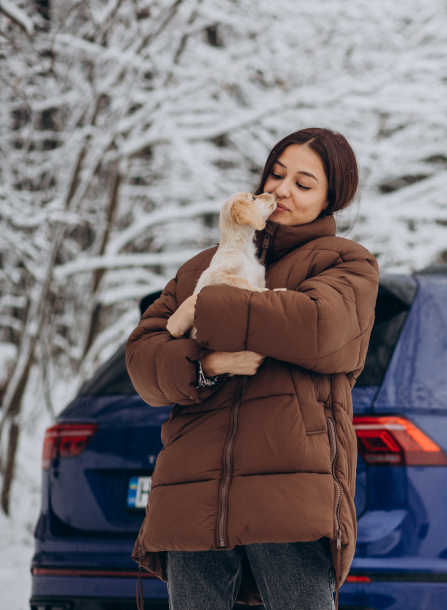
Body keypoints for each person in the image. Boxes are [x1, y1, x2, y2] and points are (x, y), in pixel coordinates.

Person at [126, 128, 379, 610]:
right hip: (191, 493)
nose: (282, 189)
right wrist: (209, 364)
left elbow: (319, 329)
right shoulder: (201, 265)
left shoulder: (346, 264)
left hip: (288, 492)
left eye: (304, 184)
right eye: (277, 174)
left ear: (331, 199)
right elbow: (142, 360)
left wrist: (206, 306)